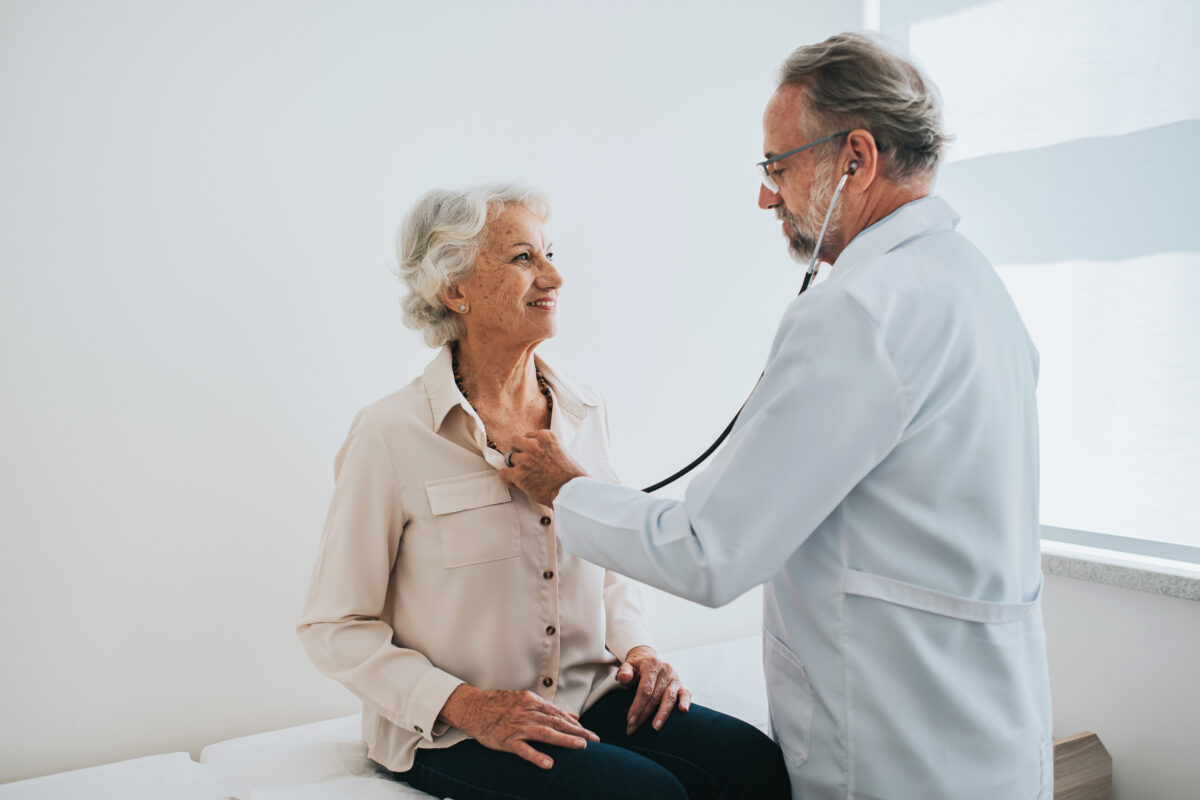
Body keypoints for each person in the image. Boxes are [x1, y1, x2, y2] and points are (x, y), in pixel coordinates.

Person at [499, 33, 1054, 800]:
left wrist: (567, 490)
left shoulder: (858, 313)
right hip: (988, 732)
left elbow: (709, 552)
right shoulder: (974, 285)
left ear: (855, 157)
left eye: (778, 166)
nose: (766, 196)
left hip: (893, 747)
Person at [296, 183, 790, 800]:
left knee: (753, 764)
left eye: (549, 253)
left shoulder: (584, 412)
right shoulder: (389, 434)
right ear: (456, 290)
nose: (553, 274)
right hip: (456, 728)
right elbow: (334, 624)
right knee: (643, 795)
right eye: (523, 258)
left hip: (590, 696)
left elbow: (609, 563)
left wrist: (639, 649)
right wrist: (467, 705)